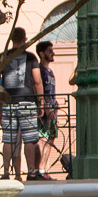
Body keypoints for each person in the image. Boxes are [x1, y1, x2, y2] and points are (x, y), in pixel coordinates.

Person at [0, 27, 44, 179]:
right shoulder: (30, 58)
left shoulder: (2, 57)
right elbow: (37, 80)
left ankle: (6, 172)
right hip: (27, 102)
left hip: (8, 102)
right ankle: (31, 171)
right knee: (29, 139)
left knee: (8, 139)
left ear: (11, 39)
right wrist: (41, 101)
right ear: (25, 39)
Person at [33, 41, 61, 175]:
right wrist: (46, 108)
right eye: (50, 51)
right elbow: (40, 89)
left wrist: (55, 106)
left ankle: (44, 168)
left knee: (50, 138)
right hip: (43, 110)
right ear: (42, 53)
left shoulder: (50, 72)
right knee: (42, 138)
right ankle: (38, 168)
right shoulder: (40, 70)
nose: (52, 53)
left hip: (51, 109)